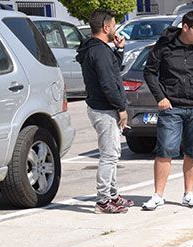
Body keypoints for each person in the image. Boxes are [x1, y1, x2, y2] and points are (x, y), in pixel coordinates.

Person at [142, 10, 193, 211]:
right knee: (165, 150)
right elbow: (150, 72)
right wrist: (161, 98)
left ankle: (189, 194)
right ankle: (158, 195)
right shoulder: (164, 46)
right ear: (185, 27)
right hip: (172, 108)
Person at [76, 9, 133, 214]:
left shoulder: (98, 49)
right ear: (106, 27)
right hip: (104, 109)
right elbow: (109, 84)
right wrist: (121, 108)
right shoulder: (99, 51)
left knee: (114, 153)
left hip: (102, 107)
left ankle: (113, 195)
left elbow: (113, 70)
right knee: (109, 155)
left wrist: (118, 50)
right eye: (115, 25)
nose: (116, 29)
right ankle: (103, 200)